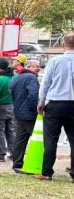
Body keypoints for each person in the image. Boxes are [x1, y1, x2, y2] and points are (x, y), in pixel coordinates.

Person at [36, 32, 74, 182]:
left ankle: (47, 172)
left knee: (51, 139)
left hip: (56, 103)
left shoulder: (55, 61)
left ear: (63, 45)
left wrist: (41, 102)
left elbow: (45, 84)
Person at [10, 59, 40, 173]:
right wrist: (37, 109)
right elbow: (33, 95)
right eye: (36, 66)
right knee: (41, 138)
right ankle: (38, 163)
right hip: (29, 114)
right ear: (29, 67)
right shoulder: (32, 78)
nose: (38, 68)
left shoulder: (17, 77)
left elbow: (12, 93)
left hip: (19, 112)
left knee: (20, 139)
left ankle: (17, 164)